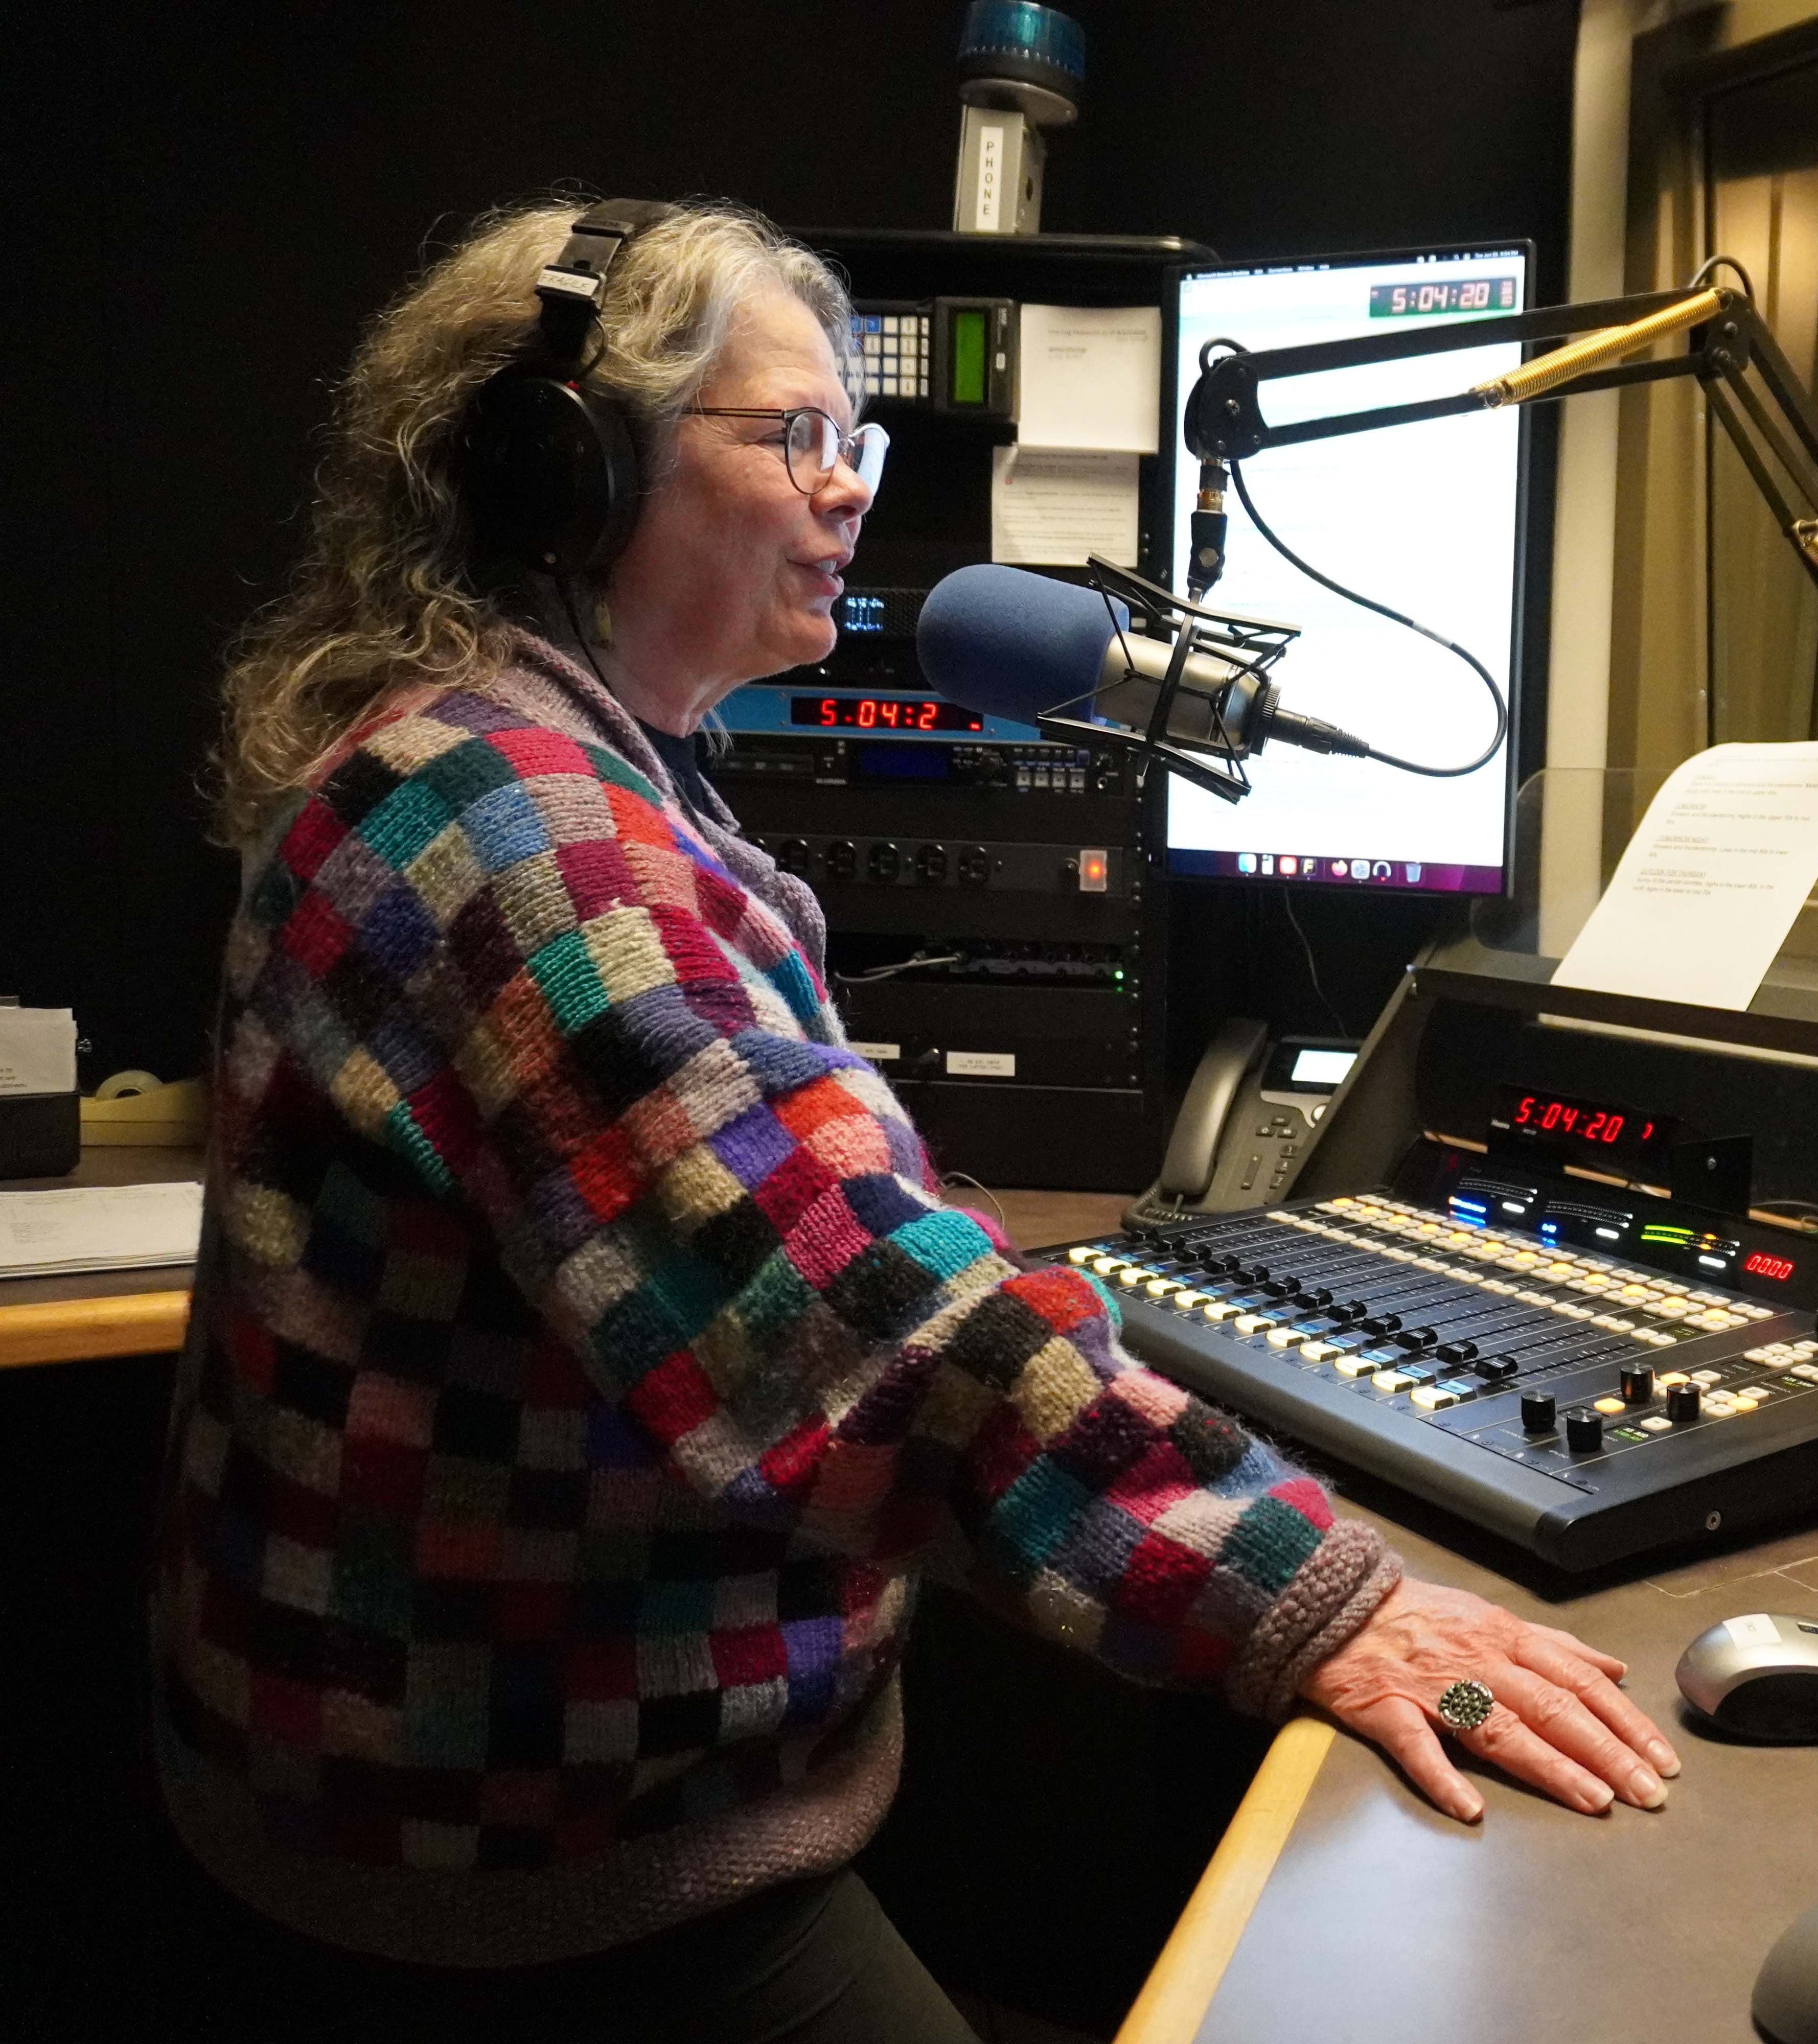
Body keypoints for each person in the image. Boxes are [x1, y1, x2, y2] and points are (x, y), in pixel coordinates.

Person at [160, 196, 1677, 2040]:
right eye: (793, 434)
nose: (851, 488)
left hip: (516, 1778)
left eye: (851, 440)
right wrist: (1323, 1600)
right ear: (569, 472)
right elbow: (861, 1325)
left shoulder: (507, 767)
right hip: (523, 1871)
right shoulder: (523, 836)